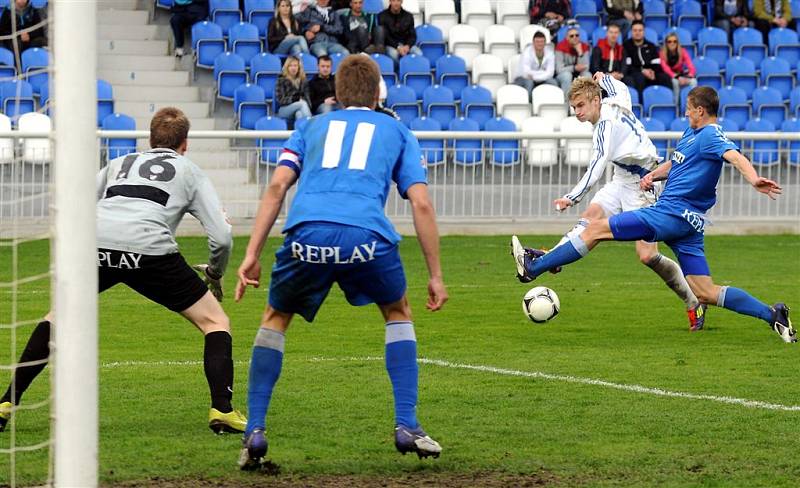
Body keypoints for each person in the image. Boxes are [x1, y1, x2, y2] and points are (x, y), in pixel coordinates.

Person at [234, 54, 448, 470]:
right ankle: (407, 425)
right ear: (377, 93)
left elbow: (278, 185)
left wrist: (251, 254)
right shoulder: (398, 130)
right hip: (366, 236)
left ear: (335, 93)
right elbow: (420, 201)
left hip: (306, 235)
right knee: (397, 310)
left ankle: (255, 430)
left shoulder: (309, 126)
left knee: (276, 316)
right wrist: (436, 275)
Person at [0, 108, 248, 434]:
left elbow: (77, 202)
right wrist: (215, 272)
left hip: (96, 243)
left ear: (150, 139)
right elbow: (223, 235)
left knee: (57, 317)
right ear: (185, 144)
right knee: (215, 321)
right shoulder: (190, 171)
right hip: (148, 249)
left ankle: (5, 404)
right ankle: (222, 411)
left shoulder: (121, 162)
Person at [511, 86, 796, 343]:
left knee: (596, 228)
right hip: (690, 225)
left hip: (670, 215)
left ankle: (534, 267)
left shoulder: (711, 134)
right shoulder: (693, 134)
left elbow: (735, 156)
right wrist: (653, 176)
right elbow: (677, 163)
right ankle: (773, 315)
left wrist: (754, 178)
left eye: (688, 108)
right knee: (705, 292)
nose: (685, 113)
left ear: (700, 110)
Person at [539, 73, 705, 329]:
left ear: (595, 101)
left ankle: (694, 301)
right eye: (574, 108)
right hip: (621, 177)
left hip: (643, 183)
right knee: (591, 215)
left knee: (647, 255)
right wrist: (604, 77)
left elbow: (596, 166)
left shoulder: (605, 124)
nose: (577, 112)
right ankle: (552, 258)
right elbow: (619, 85)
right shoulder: (617, 98)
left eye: (581, 105)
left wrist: (570, 197)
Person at [622, 20, 671, 100]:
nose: (637, 33)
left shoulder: (651, 46)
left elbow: (657, 64)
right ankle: (641, 104)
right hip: (635, 73)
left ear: (644, 31)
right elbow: (628, 66)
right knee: (640, 77)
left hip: (651, 72)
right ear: (631, 32)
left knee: (665, 77)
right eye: (635, 30)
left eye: (640, 30)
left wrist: (652, 72)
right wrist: (643, 71)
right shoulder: (626, 46)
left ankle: (668, 102)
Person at [514, 31, 558, 98]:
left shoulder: (550, 53)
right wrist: (543, 73)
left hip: (538, 78)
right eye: (537, 42)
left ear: (545, 42)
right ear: (533, 42)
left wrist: (535, 77)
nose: (540, 44)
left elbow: (550, 73)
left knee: (553, 82)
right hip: (522, 78)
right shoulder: (527, 52)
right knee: (529, 83)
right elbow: (526, 72)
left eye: (542, 41)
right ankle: (528, 103)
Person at [379, 0, 422, 64]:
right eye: (393, 1)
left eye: (398, 1)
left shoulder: (408, 16)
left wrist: (408, 46)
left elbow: (412, 35)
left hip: (406, 44)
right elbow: (386, 37)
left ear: (402, 2)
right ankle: (400, 72)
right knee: (394, 55)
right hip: (391, 45)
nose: (396, 3)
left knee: (419, 54)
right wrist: (398, 47)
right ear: (390, 1)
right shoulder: (382, 16)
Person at [660, 32, 697, 105]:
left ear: (677, 43)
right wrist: (677, 77)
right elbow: (665, 69)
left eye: (675, 41)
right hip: (669, 76)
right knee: (675, 82)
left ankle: (692, 104)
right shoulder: (662, 53)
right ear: (666, 43)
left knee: (693, 81)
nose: (672, 43)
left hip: (681, 74)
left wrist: (689, 76)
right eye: (669, 41)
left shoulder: (682, 51)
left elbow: (690, 66)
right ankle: (676, 105)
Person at [275, 55, 313, 124]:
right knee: (302, 104)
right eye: (291, 66)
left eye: (295, 65)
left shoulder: (303, 80)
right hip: (284, 109)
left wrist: (302, 101)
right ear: (287, 67)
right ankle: (311, 127)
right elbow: (280, 100)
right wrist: (294, 99)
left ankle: (301, 133)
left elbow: (308, 99)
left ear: (299, 67)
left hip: (301, 108)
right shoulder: (281, 80)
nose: (293, 68)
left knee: (299, 114)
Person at [555, 26, 591, 95]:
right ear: (567, 38)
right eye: (571, 36)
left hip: (578, 74)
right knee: (567, 75)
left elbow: (586, 67)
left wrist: (580, 53)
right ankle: (567, 102)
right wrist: (574, 68)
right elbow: (559, 69)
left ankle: (586, 101)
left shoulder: (584, 46)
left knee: (587, 75)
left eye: (577, 35)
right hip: (563, 75)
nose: (575, 37)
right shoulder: (560, 47)